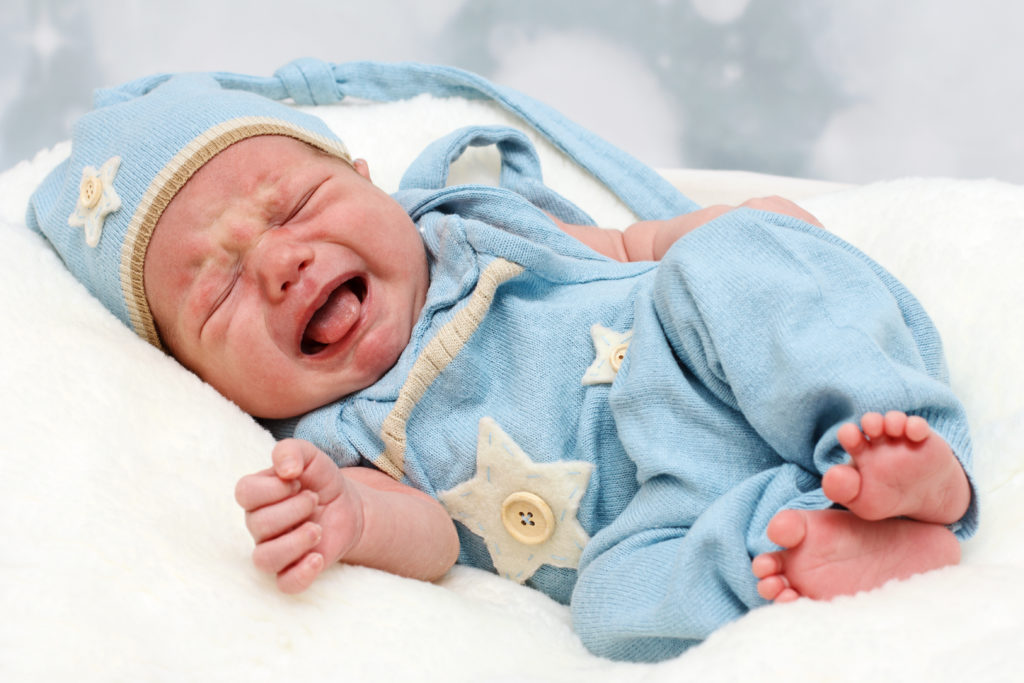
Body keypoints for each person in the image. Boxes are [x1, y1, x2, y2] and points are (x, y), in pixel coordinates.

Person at [27, 61, 976, 663]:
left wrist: (735, 230)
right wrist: (351, 515)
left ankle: (893, 443)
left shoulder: (469, 225)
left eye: (292, 207)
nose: (281, 265)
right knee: (611, 609)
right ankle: (810, 538)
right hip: (654, 511)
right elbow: (432, 541)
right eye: (219, 290)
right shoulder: (334, 435)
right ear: (199, 377)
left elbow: (632, 246)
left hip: (712, 359)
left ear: (367, 182)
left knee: (735, 260)